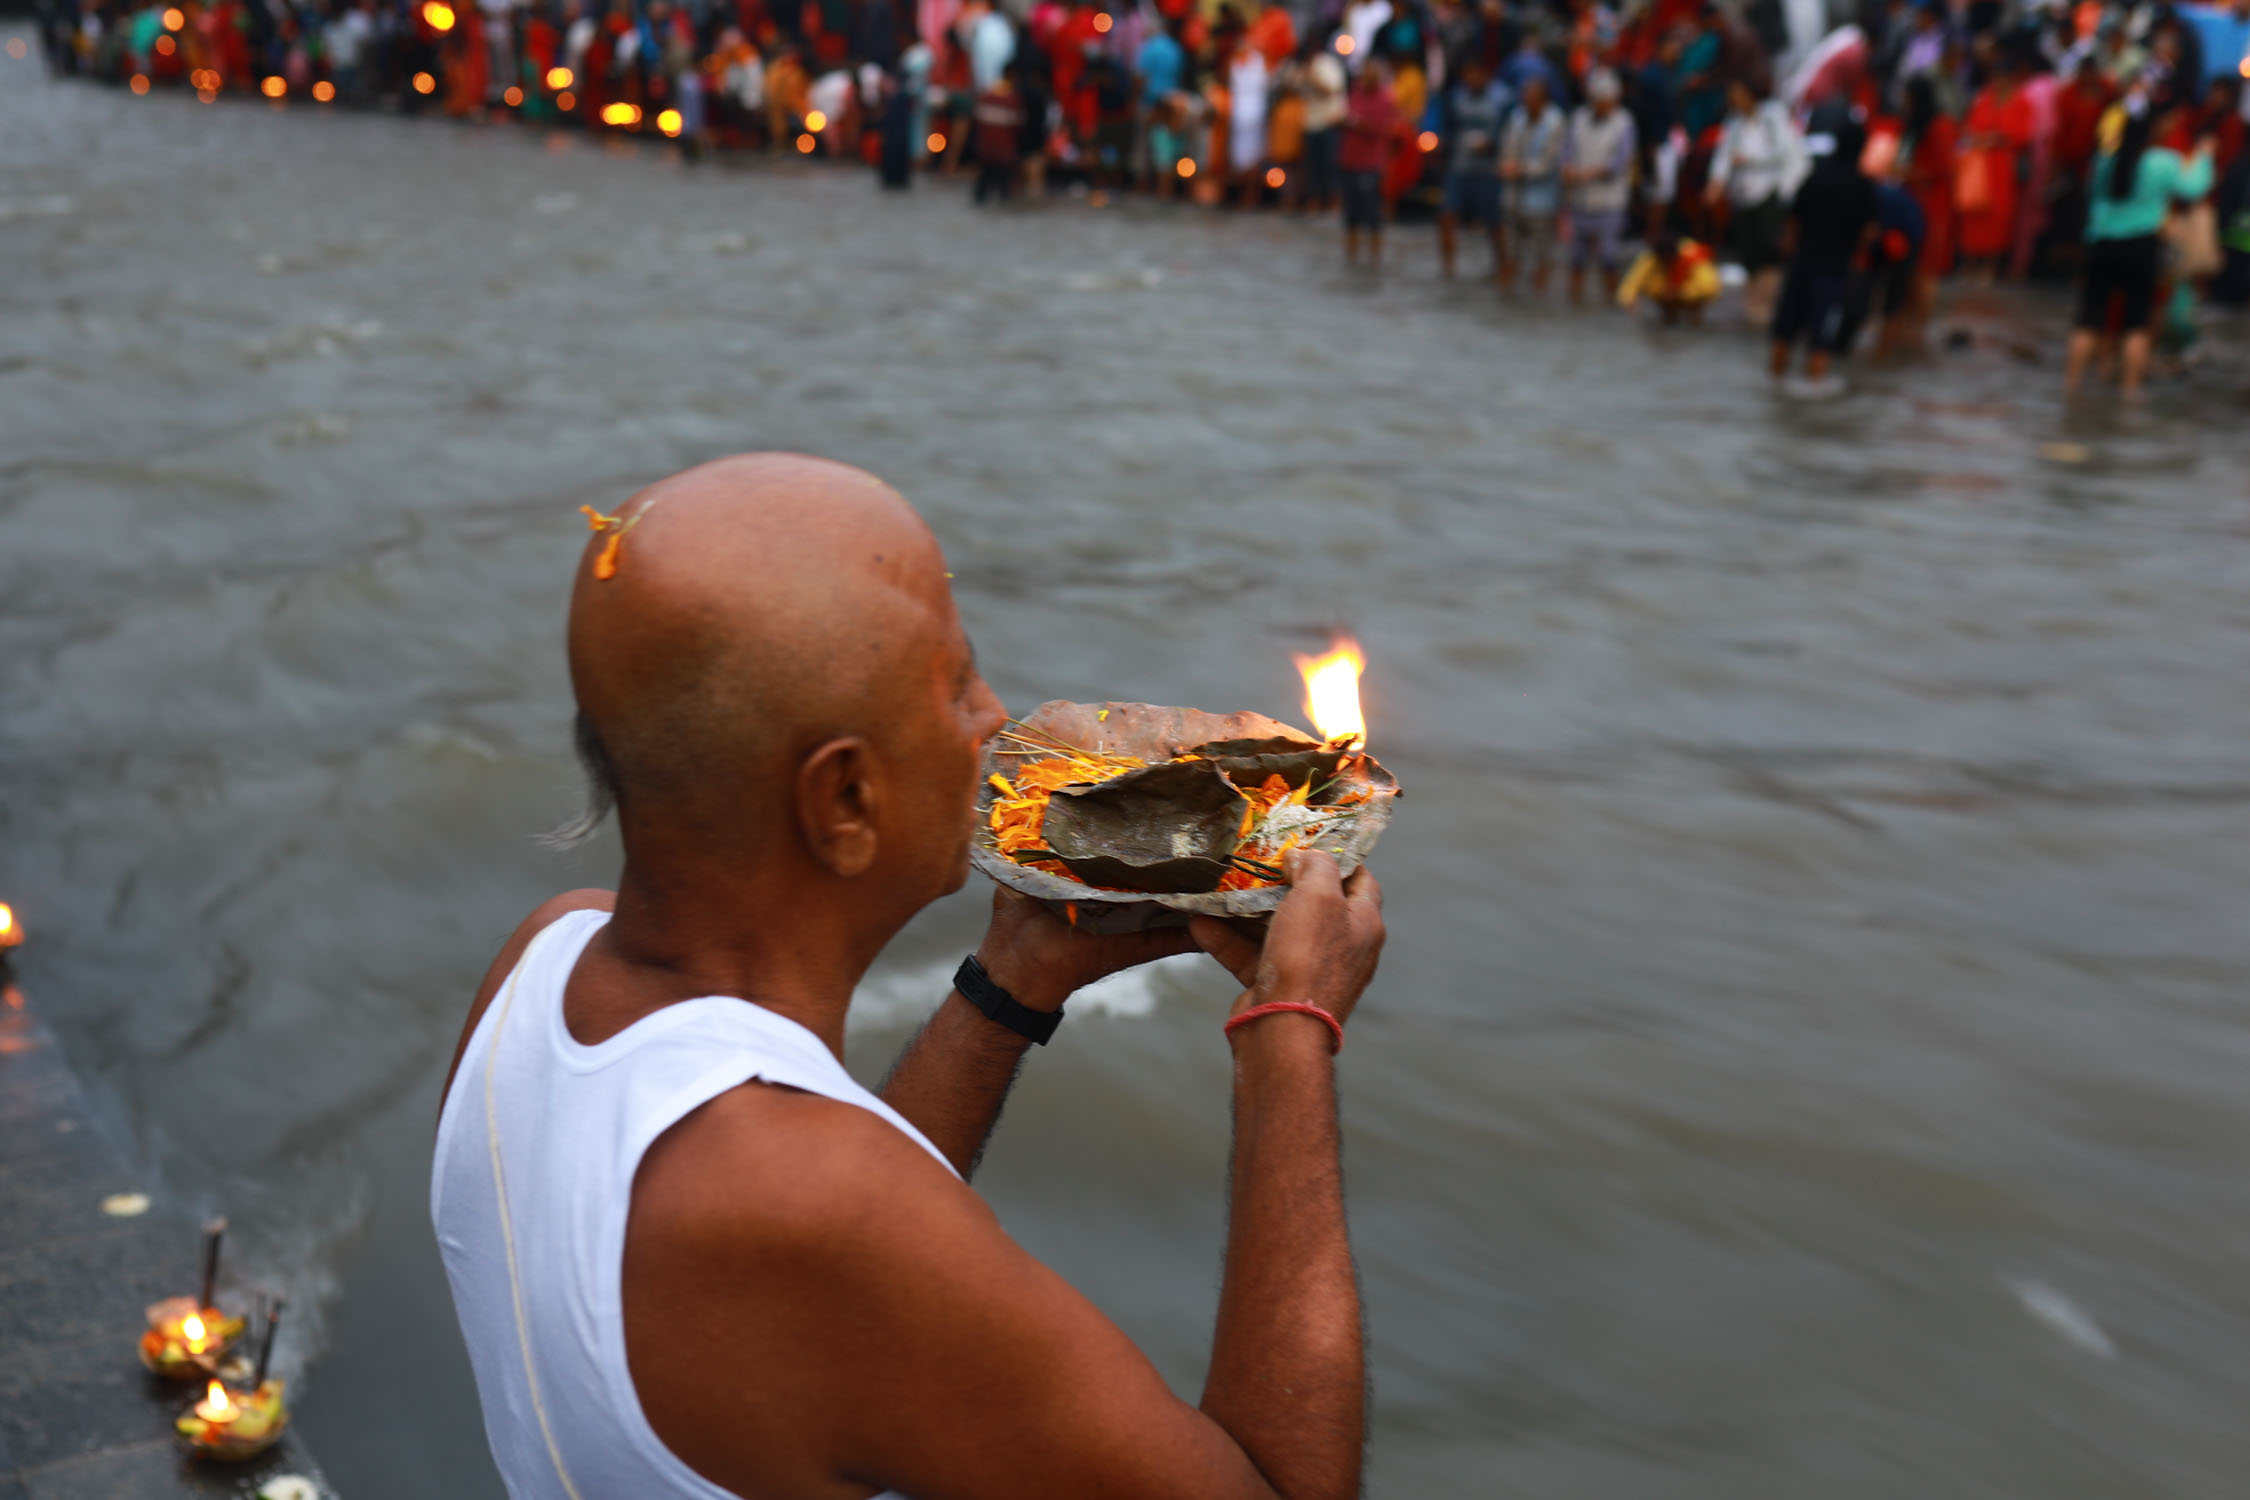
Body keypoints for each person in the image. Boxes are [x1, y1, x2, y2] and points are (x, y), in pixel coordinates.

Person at [433, 454, 1387, 1500]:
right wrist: (1291, 1029)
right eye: (954, 684)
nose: (994, 715)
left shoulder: (539, 968)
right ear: (844, 800)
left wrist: (1011, 981)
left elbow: (798, 1295)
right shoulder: (818, 1213)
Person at [2064, 98, 2215, 398]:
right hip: (2141, 247)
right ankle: (2129, 395)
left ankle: (2071, 388)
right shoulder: (2162, 162)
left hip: (2102, 244)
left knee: (2089, 319)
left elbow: (2092, 196)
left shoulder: (2105, 160)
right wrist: (2205, 156)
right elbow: (2194, 188)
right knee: (2136, 322)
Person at [1770, 111, 1879, 384]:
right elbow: (1870, 232)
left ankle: (1775, 384)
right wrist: (1855, 255)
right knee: (1821, 340)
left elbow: (1793, 218)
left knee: (1784, 333)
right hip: (1833, 270)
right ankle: (1813, 393)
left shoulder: (1815, 177)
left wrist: (1790, 248)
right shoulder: (1864, 186)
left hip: (1801, 263)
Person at [1706, 76, 1805, 320]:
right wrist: (1715, 183)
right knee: (1747, 249)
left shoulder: (1773, 119)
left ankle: (1767, 301)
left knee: (1768, 248)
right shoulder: (1734, 123)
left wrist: (1749, 160)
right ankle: (1751, 301)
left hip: (1769, 190)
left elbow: (1785, 152)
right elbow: (1723, 155)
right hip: (1743, 192)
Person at [1956, 44, 2035, 277]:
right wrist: (1981, 138)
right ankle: (1970, 263)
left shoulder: (2022, 102)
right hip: (1980, 165)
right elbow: (1970, 128)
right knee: (1974, 215)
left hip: (2004, 165)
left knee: (2000, 216)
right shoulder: (1983, 100)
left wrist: (1998, 138)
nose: (1998, 81)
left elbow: (2023, 135)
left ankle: (1990, 266)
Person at [1564, 67, 1638, 303]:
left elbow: (1620, 162)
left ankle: (1612, 300)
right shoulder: (1578, 119)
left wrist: (1588, 172)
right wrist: (1568, 170)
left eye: (1606, 100)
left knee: (1608, 255)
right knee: (1577, 256)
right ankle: (1575, 299)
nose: (1601, 105)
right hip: (1581, 197)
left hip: (1610, 199)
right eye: (1597, 100)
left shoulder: (1624, 123)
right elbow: (1566, 153)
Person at [1437, 55, 1511, 277]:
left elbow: (1510, 133)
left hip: (1490, 170)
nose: (1472, 79)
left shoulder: (1503, 99)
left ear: (1487, 75)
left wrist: (1493, 145)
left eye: (1476, 74)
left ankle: (1501, 266)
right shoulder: (1455, 97)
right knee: (1447, 214)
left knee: (1494, 223)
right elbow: (1447, 128)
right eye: (1467, 75)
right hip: (1460, 166)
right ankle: (1448, 269)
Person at [1499, 73, 1566, 292]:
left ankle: (1540, 293)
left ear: (1543, 99)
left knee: (1541, 253)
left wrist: (1520, 169)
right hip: (1514, 197)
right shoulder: (1517, 117)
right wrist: (1506, 164)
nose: (1526, 99)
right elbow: (1507, 147)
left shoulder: (1555, 122)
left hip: (1542, 201)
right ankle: (1509, 294)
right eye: (1525, 94)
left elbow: (1550, 162)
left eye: (1531, 95)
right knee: (1510, 250)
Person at [1340, 61, 1400, 262]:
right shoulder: (1355, 92)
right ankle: (1351, 256)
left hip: (1371, 162)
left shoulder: (1384, 98)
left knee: (1373, 213)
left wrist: (1351, 122)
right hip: (1350, 159)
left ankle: (1375, 257)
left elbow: (1376, 127)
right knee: (1351, 214)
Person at [1617, 227, 1723, 321]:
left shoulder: (1693, 255)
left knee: (1694, 316)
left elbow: (1710, 288)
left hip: (1692, 296)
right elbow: (1633, 280)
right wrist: (1629, 300)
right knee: (1667, 316)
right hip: (1665, 294)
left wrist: (1680, 293)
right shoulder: (1652, 257)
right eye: (1663, 258)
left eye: (1669, 258)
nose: (1666, 261)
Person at [1298, 36, 1349, 212]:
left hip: (1329, 120)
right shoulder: (1302, 67)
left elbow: (1331, 90)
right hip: (1311, 122)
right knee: (1313, 166)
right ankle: (1315, 200)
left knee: (1331, 164)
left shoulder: (1328, 65)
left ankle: (1334, 201)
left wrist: (1313, 77)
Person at [971, 59, 1024, 200]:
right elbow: (1017, 129)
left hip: (986, 150)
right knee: (1003, 193)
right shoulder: (1012, 99)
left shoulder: (986, 95)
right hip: (1004, 153)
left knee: (981, 189)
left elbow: (977, 123)